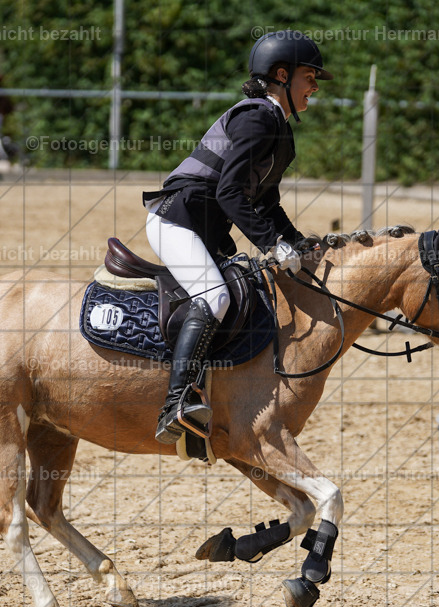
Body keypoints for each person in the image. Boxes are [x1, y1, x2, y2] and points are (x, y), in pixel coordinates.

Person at [142, 30, 333, 445]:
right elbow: (230, 193)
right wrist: (272, 245)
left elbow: (266, 205)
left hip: (204, 228)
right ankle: (176, 402)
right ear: (282, 75)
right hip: (177, 220)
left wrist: (298, 242)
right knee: (215, 298)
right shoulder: (256, 117)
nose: (315, 86)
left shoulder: (279, 129)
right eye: (310, 77)